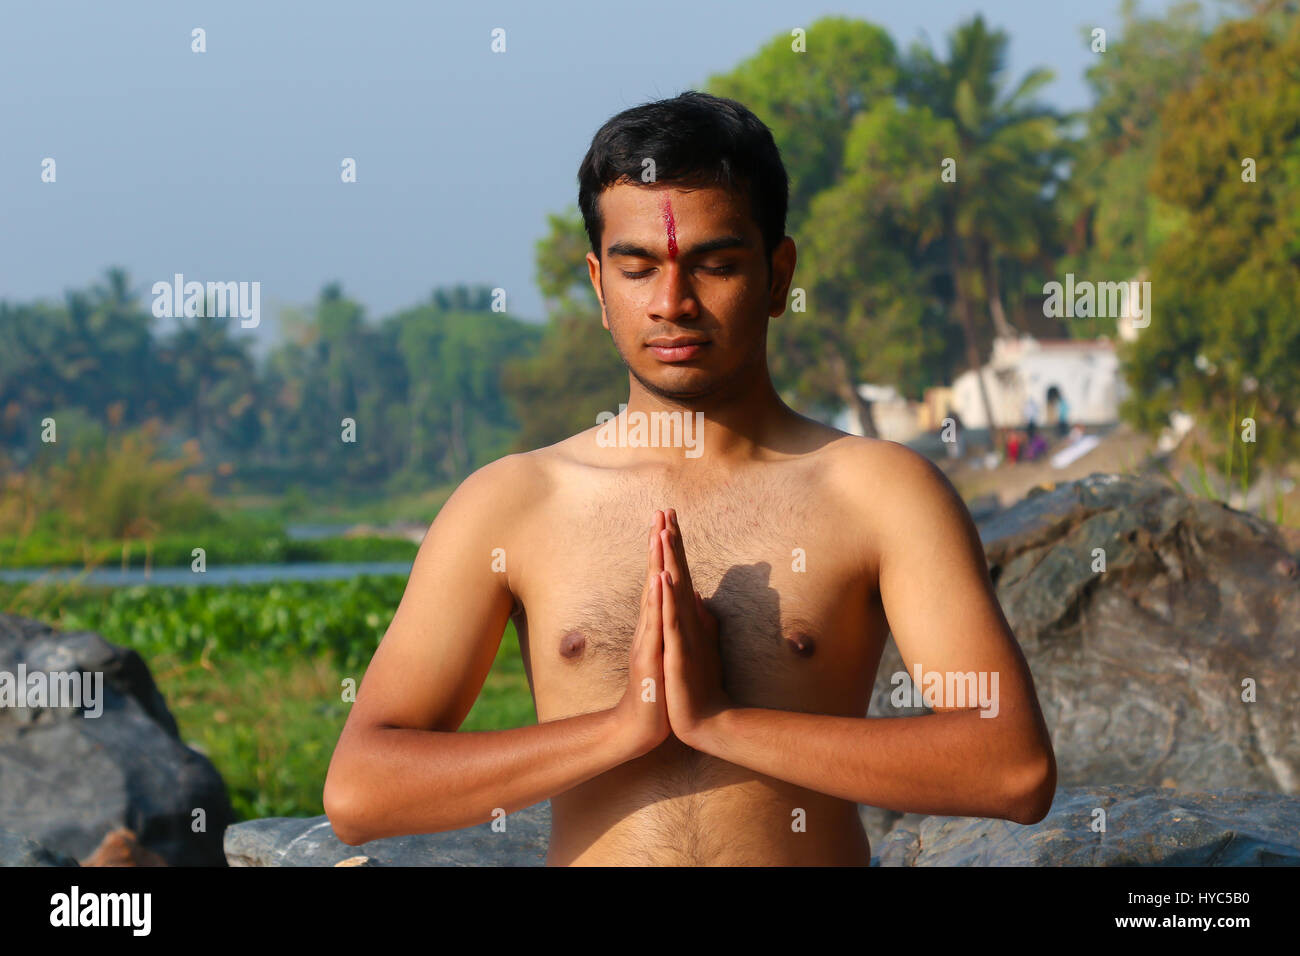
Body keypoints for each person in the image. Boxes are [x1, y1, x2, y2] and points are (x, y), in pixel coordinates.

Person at [323, 91, 1055, 866]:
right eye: (638, 268)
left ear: (778, 276)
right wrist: (618, 729)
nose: (673, 304)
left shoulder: (877, 492)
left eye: (717, 265)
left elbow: (1010, 766)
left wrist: (720, 723)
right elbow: (362, 791)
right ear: (600, 286)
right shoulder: (513, 504)